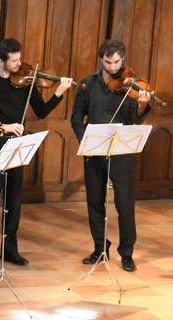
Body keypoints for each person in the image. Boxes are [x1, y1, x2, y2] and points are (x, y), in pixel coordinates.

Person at [0, 38, 72, 267]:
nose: (20, 63)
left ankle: (10, 250)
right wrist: (5, 126)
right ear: (1, 61)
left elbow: (41, 111)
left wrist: (59, 92)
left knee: (14, 199)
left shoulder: (25, 82)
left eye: (20, 58)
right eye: (15, 60)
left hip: (18, 144)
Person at [71, 39, 151, 272]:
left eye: (117, 62)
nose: (113, 67)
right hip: (94, 150)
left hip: (121, 152)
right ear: (101, 59)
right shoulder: (87, 83)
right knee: (95, 202)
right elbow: (77, 117)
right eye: (108, 62)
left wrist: (141, 106)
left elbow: (136, 119)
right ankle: (99, 248)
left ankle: (127, 253)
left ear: (122, 59)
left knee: (125, 203)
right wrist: (85, 141)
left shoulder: (131, 86)